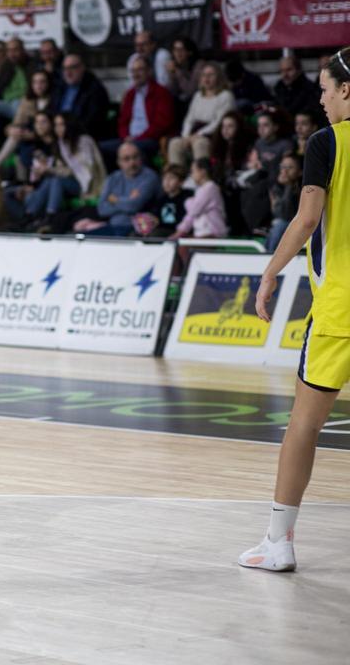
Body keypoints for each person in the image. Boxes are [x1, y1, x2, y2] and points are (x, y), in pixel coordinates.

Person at [241, 47, 350, 572]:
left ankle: (278, 543)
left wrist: (269, 273)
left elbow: (308, 220)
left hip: (339, 313)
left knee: (304, 426)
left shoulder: (327, 142)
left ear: (347, 91)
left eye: (327, 89)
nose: (322, 100)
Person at [86, 143, 161, 236]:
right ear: (119, 162)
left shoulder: (150, 177)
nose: (132, 163)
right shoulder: (113, 178)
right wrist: (128, 201)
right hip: (113, 227)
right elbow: (101, 209)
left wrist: (114, 199)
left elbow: (134, 206)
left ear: (141, 158)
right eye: (126, 159)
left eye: (135, 157)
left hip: (137, 229)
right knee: (81, 239)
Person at [169, 63, 236, 167]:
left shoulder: (226, 96)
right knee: (175, 143)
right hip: (193, 133)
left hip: (213, 134)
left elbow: (218, 122)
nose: (206, 78)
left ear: (219, 77)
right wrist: (186, 136)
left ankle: (202, 176)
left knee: (200, 143)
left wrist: (198, 134)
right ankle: (177, 176)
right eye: (204, 75)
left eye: (211, 75)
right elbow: (189, 119)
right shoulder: (198, 95)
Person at [113, 55, 176, 164]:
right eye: (133, 71)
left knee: (136, 149)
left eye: (140, 70)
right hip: (129, 139)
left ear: (149, 71)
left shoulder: (161, 92)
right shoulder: (130, 94)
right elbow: (123, 122)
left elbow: (161, 124)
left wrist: (138, 139)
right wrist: (125, 138)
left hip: (151, 139)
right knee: (102, 149)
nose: (136, 74)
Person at [169, 158, 228, 239]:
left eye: (193, 171)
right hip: (202, 234)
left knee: (182, 247)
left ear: (203, 172)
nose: (191, 175)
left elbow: (194, 212)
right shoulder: (202, 189)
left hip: (213, 234)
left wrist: (179, 232)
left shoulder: (210, 188)